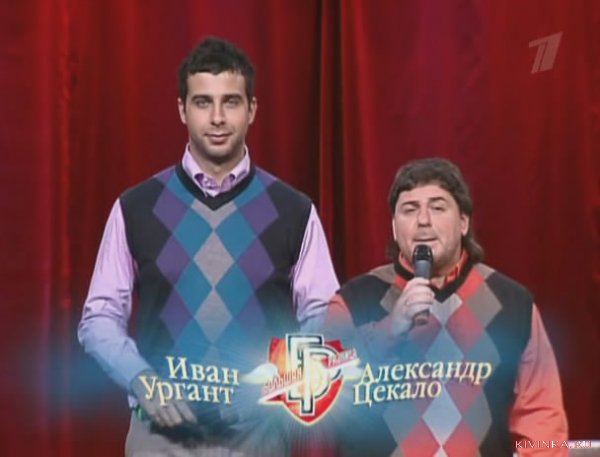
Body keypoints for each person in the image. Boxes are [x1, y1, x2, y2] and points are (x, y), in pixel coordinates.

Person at [78, 36, 339, 456]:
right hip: (158, 439)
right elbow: (99, 318)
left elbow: (326, 316)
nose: (217, 118)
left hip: (259, 438)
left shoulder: (294, 210)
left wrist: (273, 383)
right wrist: (142, 380)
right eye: (203, 103)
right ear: (182, 110)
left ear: (252, 109)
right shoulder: (135, 207)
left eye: (230, 102)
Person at [324, 158, 568, 457]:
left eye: (438, 208)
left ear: (463, 222)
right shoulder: (353, 301)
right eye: (409, 209)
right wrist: (389, 330)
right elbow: (316, 389)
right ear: (394, 226)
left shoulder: (513, 305)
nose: (423, 220)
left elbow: (542, 420)